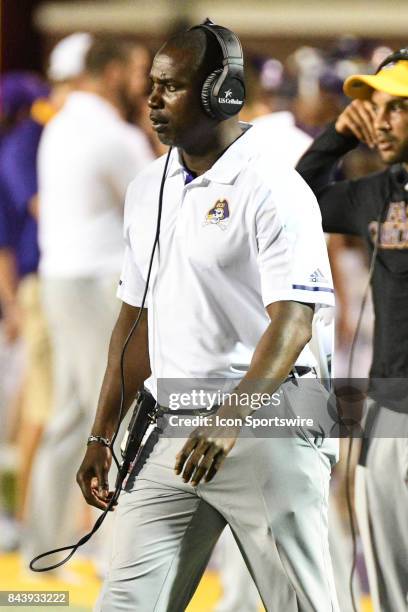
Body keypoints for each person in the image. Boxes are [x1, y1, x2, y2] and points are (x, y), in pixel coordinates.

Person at [76, 22, 339, 612]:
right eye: (152, 84)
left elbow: (294, 319)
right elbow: (133, 322)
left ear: (221, 92)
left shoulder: (273, 186)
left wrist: (231, 417)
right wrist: (101, 431)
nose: (152, 100)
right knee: (125, 602)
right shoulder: (149, 186)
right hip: (174, 424)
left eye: (170, 87)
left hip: (268, 417)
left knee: (303, 604)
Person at [23, 35, 154, 569]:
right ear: (113, 71)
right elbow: (162, 201)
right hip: (96, 284)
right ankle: (112, 554)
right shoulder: (108, 133)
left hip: (63, 278)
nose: (146, 84)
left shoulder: (61, 123)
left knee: (72, 418)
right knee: (115, 416)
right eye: (139, 71)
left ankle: (45, 550)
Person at [296, 49, 408, 612]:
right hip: (389, 411)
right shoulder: (378, 192)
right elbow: (295, 203)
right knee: (390, 590)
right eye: (375, 108)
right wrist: (336, 137)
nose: (380, 121)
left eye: (398, 108)